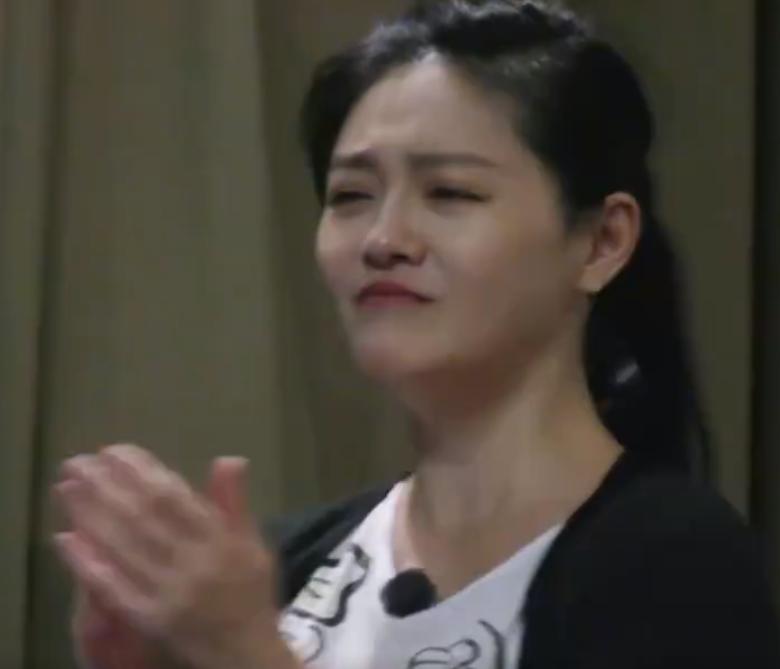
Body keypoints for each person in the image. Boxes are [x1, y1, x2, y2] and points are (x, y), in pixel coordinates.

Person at [52, 1, 780, 668]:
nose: (383, 238)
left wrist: (245, 655)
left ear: (601, 242)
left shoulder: (678, 566)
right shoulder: (285, 567)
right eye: (351, 196)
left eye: (450, 193)